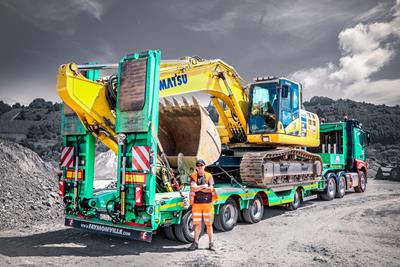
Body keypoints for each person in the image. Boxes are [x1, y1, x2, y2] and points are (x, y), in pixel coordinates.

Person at [188, 159, 216, 251]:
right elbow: (193, 187)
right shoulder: (193, 176)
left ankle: (211, 243)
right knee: (197, 225)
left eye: (201, 166)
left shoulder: (209, 176)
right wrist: (204, 186)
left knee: (209, 225)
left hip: (208, 204)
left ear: (204, 166)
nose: (200, 167)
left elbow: (210, 189)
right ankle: (195, 243)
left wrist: (198, 188)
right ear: (196, 167)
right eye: (198, 166)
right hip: (197, 205)